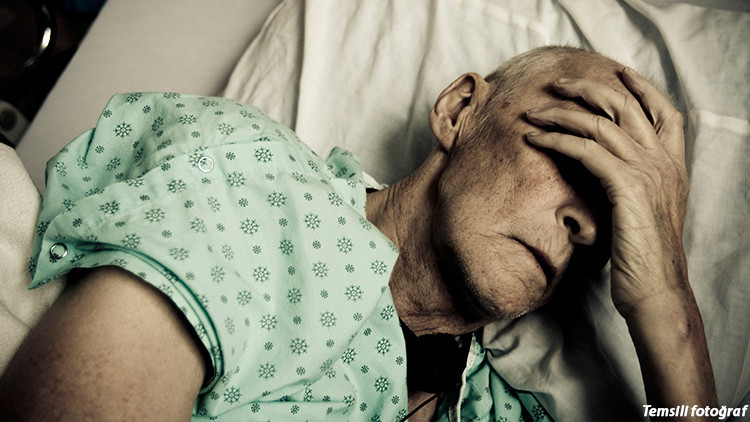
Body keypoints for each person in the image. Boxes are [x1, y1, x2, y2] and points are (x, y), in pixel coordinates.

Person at [0, 46, 717, 421]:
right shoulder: (257, 185)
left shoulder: (504, 407)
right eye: (577, 150)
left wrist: (669, 309)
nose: (588, 221)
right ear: (460, 110)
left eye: (620, 211)